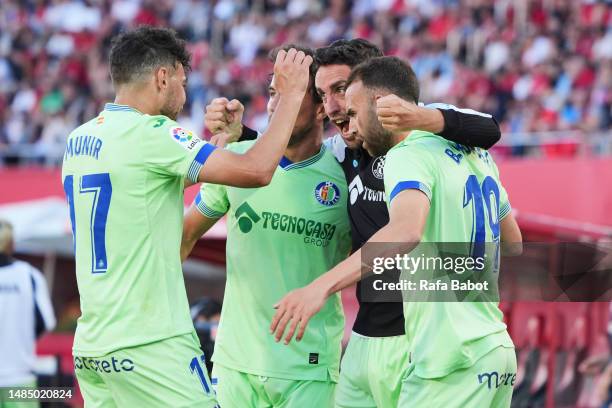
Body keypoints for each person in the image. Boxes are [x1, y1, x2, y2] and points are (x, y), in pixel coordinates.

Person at [205, 38, 503, 408]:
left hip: (426, 336)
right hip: (366, 338)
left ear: (370, 88)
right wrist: (245, 135)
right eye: (322, 94)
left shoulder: (423, 140)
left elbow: (490, 130)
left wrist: (420, 117)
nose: (332, 106)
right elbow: (296, 159)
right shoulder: (339, 155)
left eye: (341, 90)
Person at [61, 26, 312, 407]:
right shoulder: (153, 132)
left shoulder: (78, 139)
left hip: (93, 345)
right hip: (150, 343)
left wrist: (225, 144)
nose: (184, 93)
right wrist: (292, 94)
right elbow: (258, 171)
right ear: (163, 77)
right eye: (182, 81)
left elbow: (147, 194)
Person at [270, 56, 523, 407]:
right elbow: (512, 242)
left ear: (382, 106)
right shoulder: (477, 155)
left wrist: (319, 288)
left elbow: (405, 231)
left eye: (355, 112)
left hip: (451, 359)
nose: (350, 125)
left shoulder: (407, 154)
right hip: (494, 348)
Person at [181, 45, 351, 408]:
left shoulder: (344, 178)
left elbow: (381, 256)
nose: (275, 105)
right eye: (273, 93)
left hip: (310, 369)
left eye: (289, 93)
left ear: (321, 106)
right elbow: (184, 236)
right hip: (234, 364)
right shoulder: (236, 161)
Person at [0, 219, 56, 408]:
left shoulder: (29, 275)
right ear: (11, 244)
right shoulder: (29, 275)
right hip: (19, 376)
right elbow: (46, 323)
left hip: (20, 375)